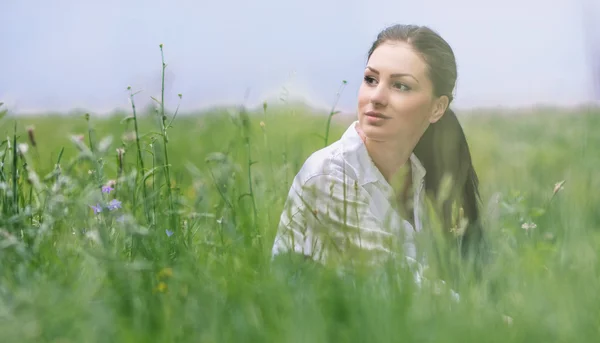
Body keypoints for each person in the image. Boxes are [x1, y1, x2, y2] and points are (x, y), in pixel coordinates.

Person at [271, 24, 484, 272]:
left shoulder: (425, 177)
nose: (377, 97)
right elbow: (396, 283)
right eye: (371, 80)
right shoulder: (329, 176)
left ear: (437, 108)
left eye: (400, 86)